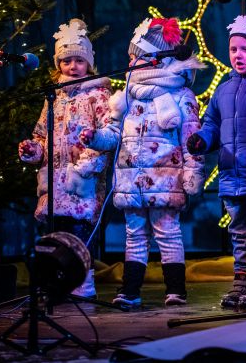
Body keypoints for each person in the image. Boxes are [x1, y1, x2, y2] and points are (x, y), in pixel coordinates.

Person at [81, 18, 205, 307]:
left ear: (152, 59)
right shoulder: (125, 96)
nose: (130, 61)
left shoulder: (179, 95)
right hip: (130, 182)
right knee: (134, 236)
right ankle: (130, 291)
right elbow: (113, 135)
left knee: (168, 233)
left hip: (164, 180)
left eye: (134, 56)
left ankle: (176, 290)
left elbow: (191, 137)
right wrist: (94, 138)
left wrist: (193, 171)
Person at [186, 15, 246, 309]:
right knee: (239, 233)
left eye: (245, 49)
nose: (238, 56)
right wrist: (202, 138)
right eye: (233, 50)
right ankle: (242, 279)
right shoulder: (224, 88)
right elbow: (213, 122)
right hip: (231, 174)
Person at [19, 19, 112, 298]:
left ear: (89, 64)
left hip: (82, 180)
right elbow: (41, 137)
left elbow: (107, 135)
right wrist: (32, 150)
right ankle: (57, 284)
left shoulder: (98, 95)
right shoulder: (54, 98)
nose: (73, 67)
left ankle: (84, 283)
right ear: (58, 63)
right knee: (56, 235)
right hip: (55, 181)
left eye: (79, 61)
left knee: (81, 234)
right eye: (67, 61)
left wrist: (87, 165)